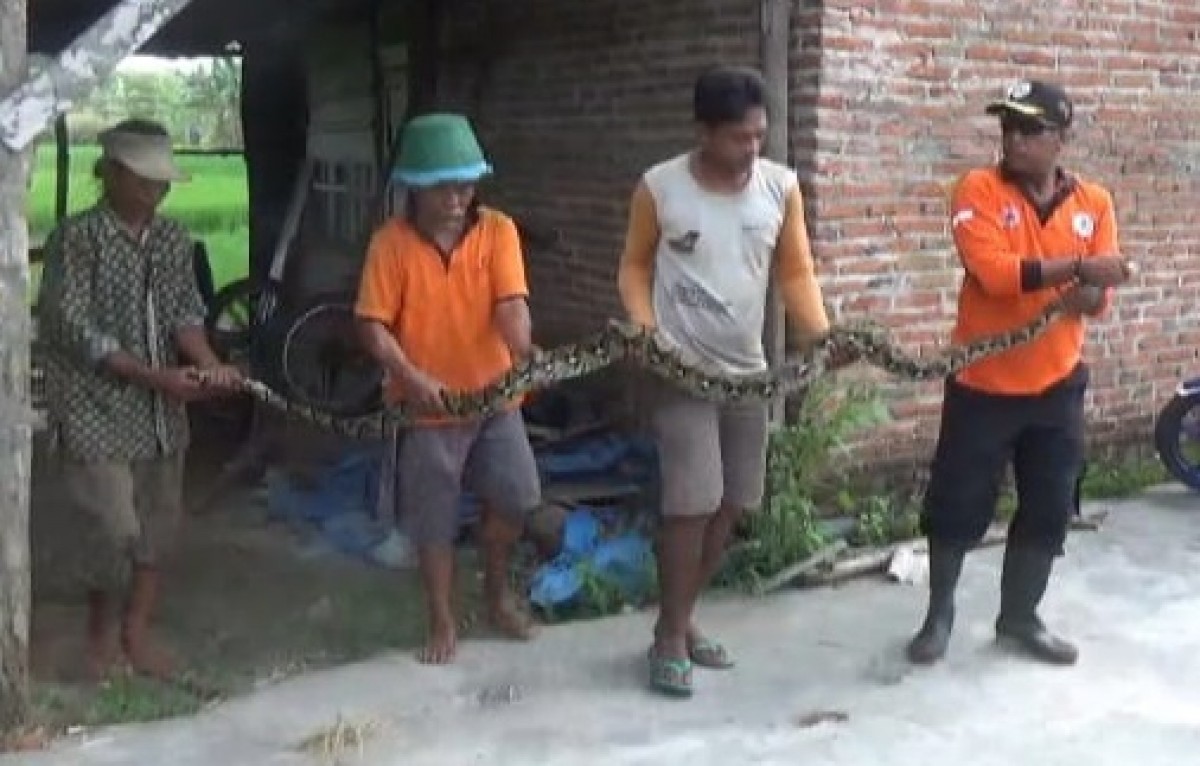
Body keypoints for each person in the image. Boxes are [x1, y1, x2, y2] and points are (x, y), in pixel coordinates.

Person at [617, 65, 848, 697]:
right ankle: (669, 637)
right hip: (681, 371)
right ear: (704, 132)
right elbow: (635, 267)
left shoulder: (780, 188)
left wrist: (820, 336)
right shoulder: (660, 188)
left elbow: (796, 274)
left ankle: (682, 618)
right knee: (691, 504)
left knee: (737, 501)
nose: (753, 150)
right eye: (739, 138)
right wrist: (643, 327)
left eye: (760, 136)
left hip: (748, 373)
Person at [906, 80, 1133, 667]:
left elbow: (1096, 298)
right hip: (983, 385)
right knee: (957, 505)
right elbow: (995, 273)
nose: (1014, 139)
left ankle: (1019, 617)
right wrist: (1081, 268)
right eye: (1007, 126)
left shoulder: (1094, 203)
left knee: (1050, 505)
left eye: (1030, 129)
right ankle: (939, 615)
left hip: (1057, 383)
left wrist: (1085, 281)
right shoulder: (977, 189)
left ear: (1061, 138)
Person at [37, 118, 243, 681]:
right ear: (114, 175)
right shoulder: (76, 240)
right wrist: (158, 377)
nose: (158, 191)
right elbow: (72, 328)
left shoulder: (174, 239)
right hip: (93, 406)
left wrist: (208, 366)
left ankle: (136, 633)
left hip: (159, 414)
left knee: (157, 528)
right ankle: (101, 634)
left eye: (163, 182)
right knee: (111, 530)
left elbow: (185, 313)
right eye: (147, 180)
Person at [355, 113, 541, 665]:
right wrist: (413, 379)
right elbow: (371, 326)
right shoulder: (390, 244)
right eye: (444, 187)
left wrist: (526, 350)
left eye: (466, 184)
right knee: (432, 516)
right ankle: (441, 614)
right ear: (414, 186)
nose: (459, 197)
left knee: (517, 496)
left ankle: (495, 592)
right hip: (425, 406)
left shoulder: (499, 230)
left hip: (495, 398)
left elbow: (511, 305)